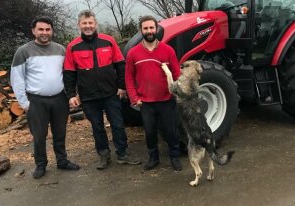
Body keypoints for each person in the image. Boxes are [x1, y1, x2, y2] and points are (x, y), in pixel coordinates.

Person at [63, 10, 140, 170]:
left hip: (111, 93)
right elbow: (69, 73)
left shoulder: (109, 41)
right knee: (97, 127)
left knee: (118, 124)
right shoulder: (73, 47)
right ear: (79, 25)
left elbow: (120, 65)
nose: (88, 26)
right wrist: (71, 95)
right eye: (84, 23)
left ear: (95, 24)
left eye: (90, 23)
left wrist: (122, 87)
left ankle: (122, 154)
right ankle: (103, 155)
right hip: (88, 96)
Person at [10, 16, 80, 179]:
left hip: (59, 99)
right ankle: (41, 164)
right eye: (41, 29)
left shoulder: (61, 50)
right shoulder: (23, 51)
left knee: (60, 132)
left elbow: (69, 74)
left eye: (48, 29)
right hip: (36, 101)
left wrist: (71, 94)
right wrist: (25, 103)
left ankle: (62, 161)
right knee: (39, 135)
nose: (44, 32)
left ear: (52, 31)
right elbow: (17, 78)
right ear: (33, 31)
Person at [125, 15, 182, 171]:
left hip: (166, 99)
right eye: (146, 28)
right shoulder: (133, 53)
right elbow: (129, 78)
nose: (149, 31)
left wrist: (179, 93)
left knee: (171, 131)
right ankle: (153, 158)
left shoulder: (168, 50)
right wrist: (134, 98)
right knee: (150, 133)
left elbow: (176, 73)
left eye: (151, 27)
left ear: (156, 29)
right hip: (146, 102)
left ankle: (175, 157)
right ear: (140, 30)